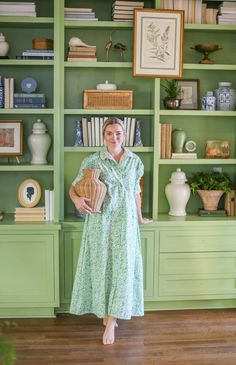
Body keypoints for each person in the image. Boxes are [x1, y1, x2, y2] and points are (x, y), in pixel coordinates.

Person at [69, 117, 152, 345]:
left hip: (125, 223)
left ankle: (112, 321)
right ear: (103, 136)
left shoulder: (135, 161)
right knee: (102, 268)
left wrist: (139, 217)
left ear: (124, 135)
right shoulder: (93, 160)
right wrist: (77, 201)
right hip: (100, 221)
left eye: (118, 133)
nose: (114, 137)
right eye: (109, 133)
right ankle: (107, 315)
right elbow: (74, 187)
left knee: (123, 270)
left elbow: (135, 192)